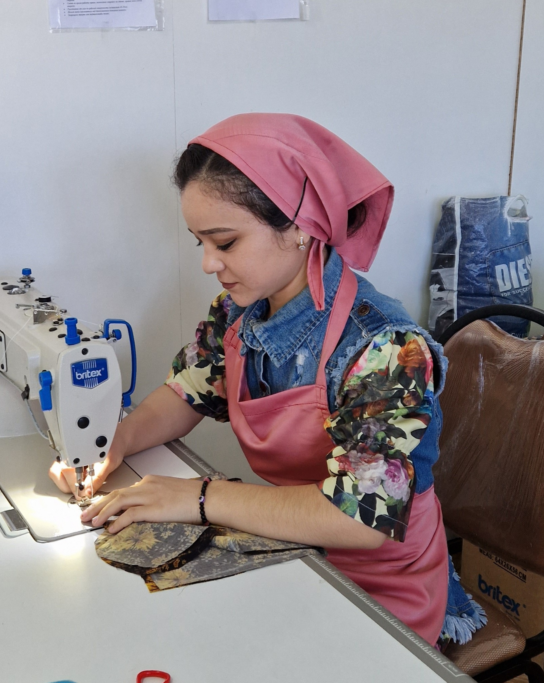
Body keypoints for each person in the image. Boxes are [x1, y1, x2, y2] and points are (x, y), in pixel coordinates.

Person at [50, 113, 472, 646]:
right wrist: (111, 445)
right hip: (297, 554)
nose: (208, 263)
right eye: (199, 242)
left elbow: (362, 518)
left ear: (300, 227)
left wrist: (198, 497)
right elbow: (187, 392)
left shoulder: (386, 347)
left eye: (224, 243)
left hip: (378, 591)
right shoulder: (238, 314)